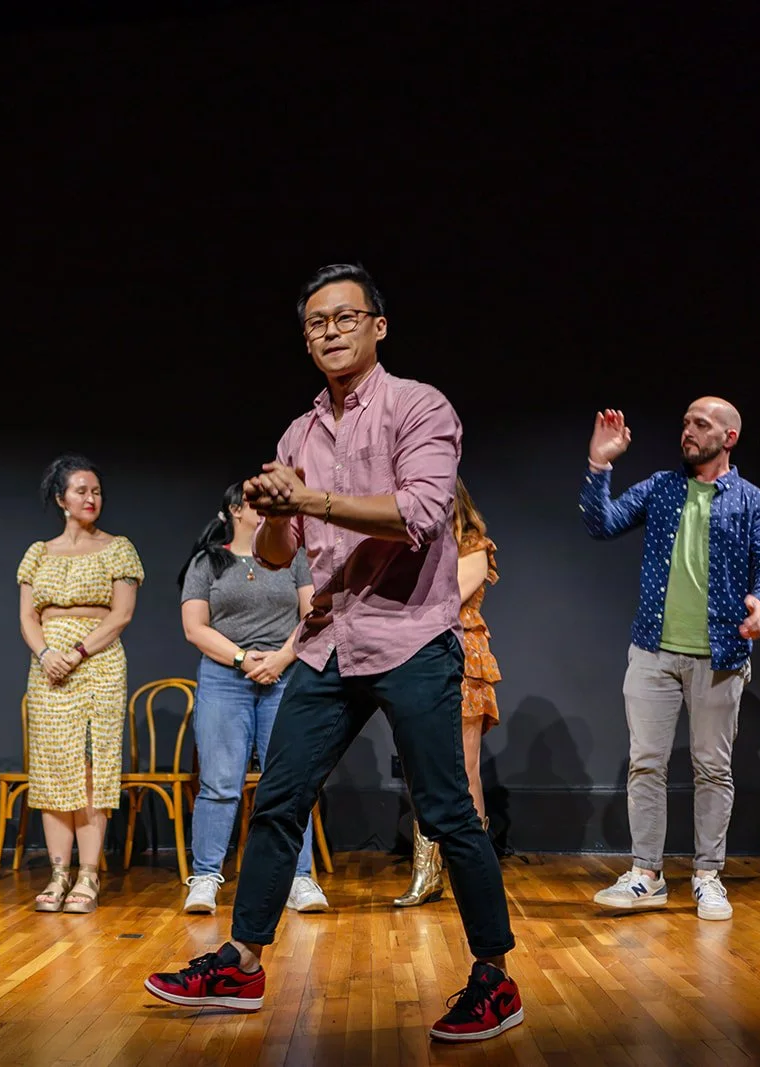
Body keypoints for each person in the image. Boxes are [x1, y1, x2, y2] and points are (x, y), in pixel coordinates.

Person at [144, 264, 523, 1043]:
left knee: (448, 810)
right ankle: (242, 961)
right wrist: (274, 513)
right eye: (317, 322)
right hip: (329, 641)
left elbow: (420, 514)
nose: (331, 331)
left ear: (378, 326)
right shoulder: (299, 433)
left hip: (411, 636)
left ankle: (494, 976)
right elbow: (280, 556)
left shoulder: (421, 406)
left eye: (346, 317)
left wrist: (310, 498)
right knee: (279, 798)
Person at [582, 401, 760, 921]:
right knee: (646, 762)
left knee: (712, 769)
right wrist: (599, 465)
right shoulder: (661, 488)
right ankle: (647, 875)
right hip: (653, 651)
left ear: (729, 436)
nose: (688, 432)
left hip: (720, 655)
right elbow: (600, 524)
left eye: (701, 425)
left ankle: (707, 876)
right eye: (686, 423)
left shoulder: (752, 501)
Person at [178, 482, 326, 916]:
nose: (264, 509)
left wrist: (280, 658)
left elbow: (313, 616)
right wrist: (243, 659)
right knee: (220, 782)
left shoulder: (294, 559)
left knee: (289, 782)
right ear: (234, 510)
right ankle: (206, 876)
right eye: (253, 503)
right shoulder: (208, 562)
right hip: (225, 678)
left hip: (283, 675)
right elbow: (195, 627)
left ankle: (298, 877)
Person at [17, 454, 143, 914]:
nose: (91, 498)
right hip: (48, 668)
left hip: (97, 663)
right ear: (60, 499)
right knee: (53, 769)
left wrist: (76, 652)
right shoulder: (38, 552)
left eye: (96, 491)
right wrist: (46, 654)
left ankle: (88, 875)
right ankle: (58, 874)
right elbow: (28, 617)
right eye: (81, 491)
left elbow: (122, 614)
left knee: (93, 769)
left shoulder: (118, 548)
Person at [395, 477, 502, 907]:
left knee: (464, 769)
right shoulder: (412, 545)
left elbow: (445, 600)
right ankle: (426, 873)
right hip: (415, 658)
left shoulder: (474, 546)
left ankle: (470, 872)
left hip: (463, 658)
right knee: (421, 768)